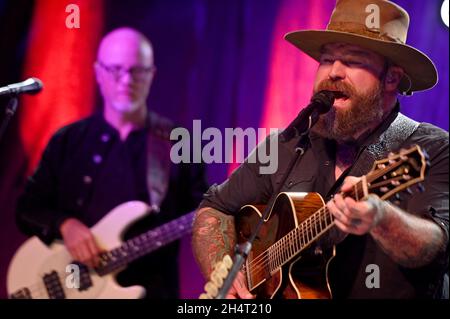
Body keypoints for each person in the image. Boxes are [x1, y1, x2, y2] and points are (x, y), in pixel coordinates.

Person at [192, 0, 448, 299]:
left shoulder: (432, 147)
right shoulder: (289, 144)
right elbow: (215, 206)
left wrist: (381, 218)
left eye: (353, 60)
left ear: (391, 78)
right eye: (326, 59)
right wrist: (225, 273)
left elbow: (436, 247)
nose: (334, 72)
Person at [16, 27, 207, 299]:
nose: (126, 80)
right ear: (98, 72)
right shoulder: (68, 140)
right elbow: (27, 209)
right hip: (70, 284)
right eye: (115, 69)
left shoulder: (180, 142)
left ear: (151, 75)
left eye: (137, 71)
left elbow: (208, 211)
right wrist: (65, 225)